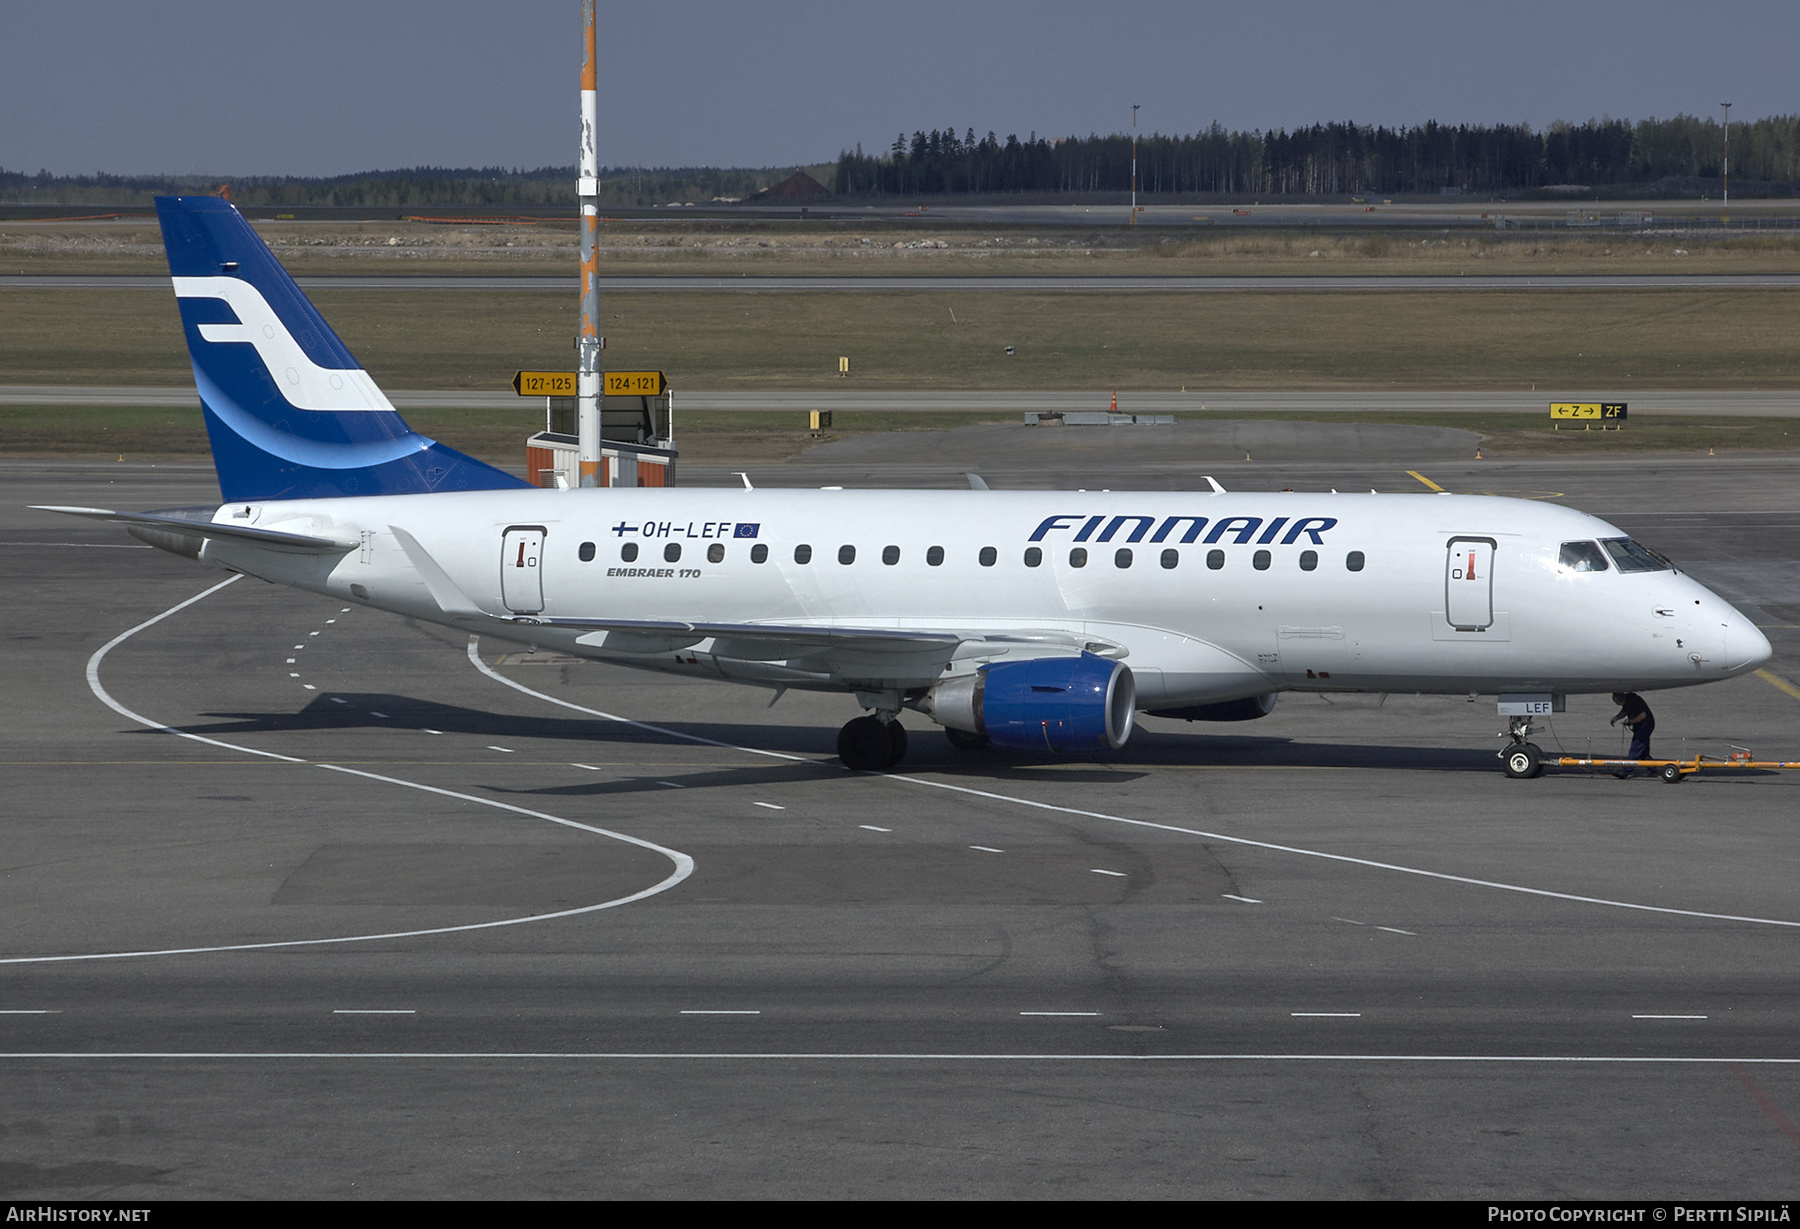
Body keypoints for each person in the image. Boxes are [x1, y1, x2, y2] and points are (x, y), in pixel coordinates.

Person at [1609, 692, 1655, 777]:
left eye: (1617, 702)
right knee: (1643, 751)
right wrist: (1616, 718)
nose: (1617, 705)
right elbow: (1625, 711)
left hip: (1645, 726)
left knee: (1636, 747)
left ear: (1621, 699)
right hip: (1640, 726)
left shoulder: (1635, 701)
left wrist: (1631, 721)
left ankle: (1626, 771)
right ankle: (1653, 769)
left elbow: (1642, 715)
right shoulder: (1628, 701)